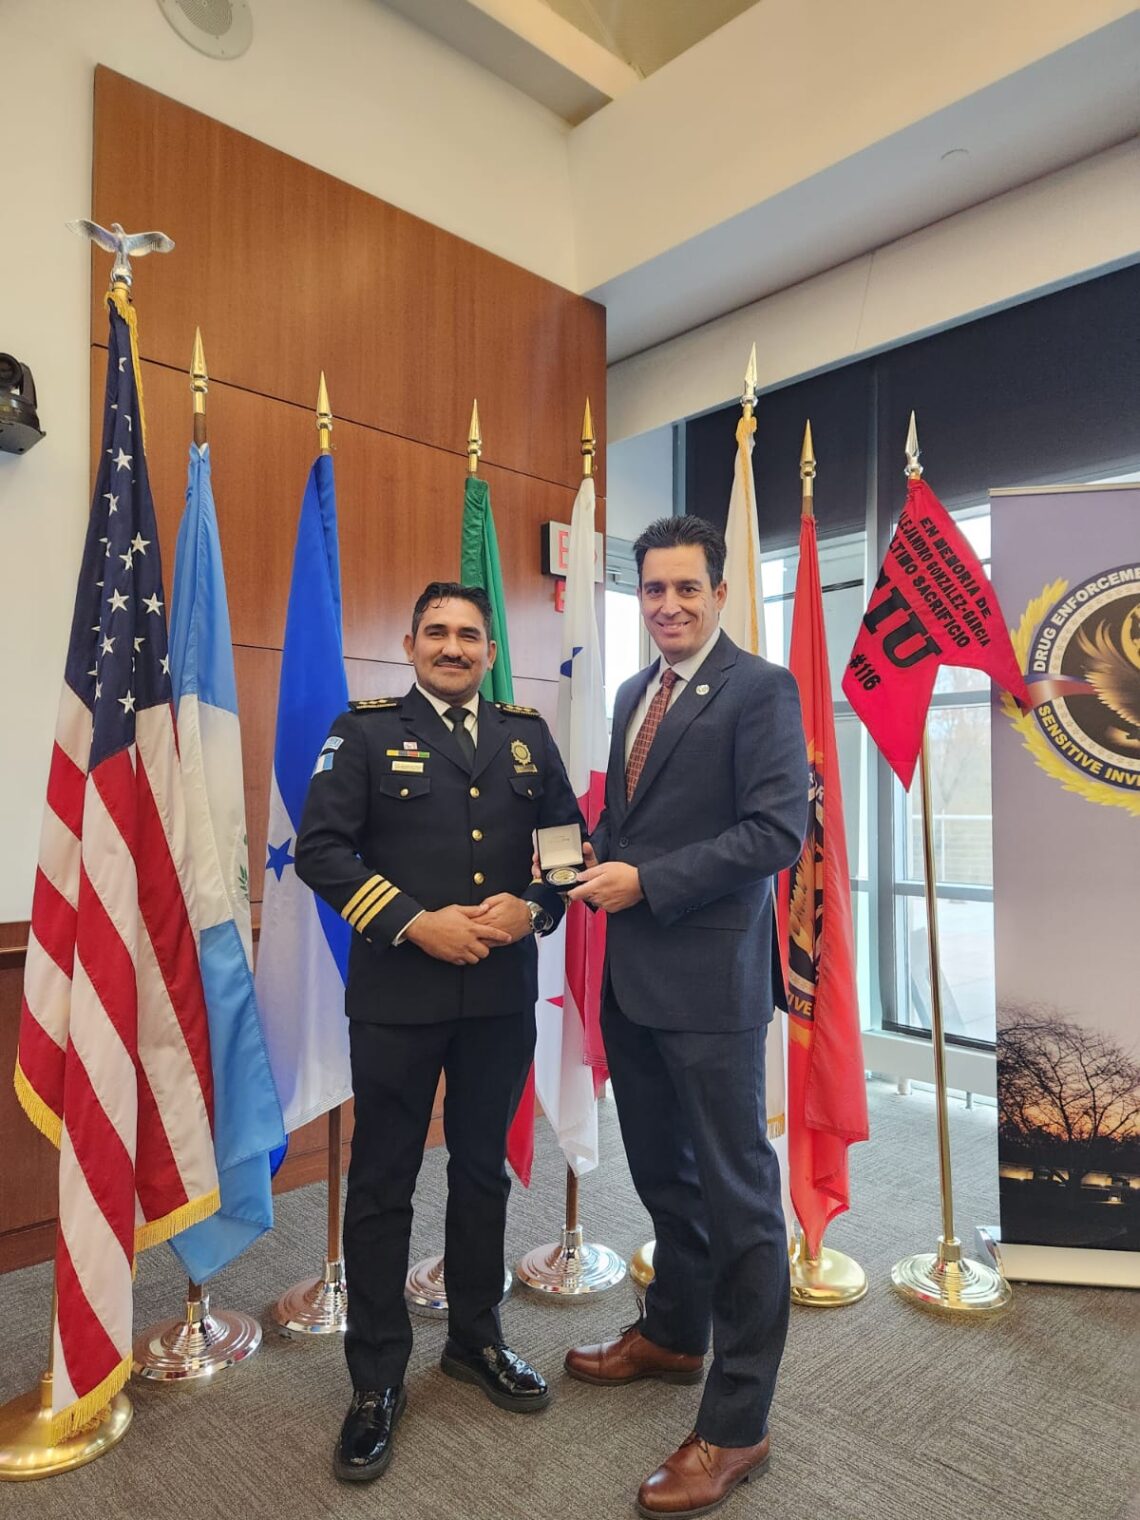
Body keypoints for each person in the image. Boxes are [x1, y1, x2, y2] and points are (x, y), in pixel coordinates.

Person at [295, 581, 583, 1483]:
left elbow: (566, 848)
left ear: (489, 650)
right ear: (411, 644)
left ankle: (474, 1337)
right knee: (384, 1182)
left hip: (498, 996)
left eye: (468, 634)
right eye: (437, 633)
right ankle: (377, 1377)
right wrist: (417, 923)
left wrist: (533, 907)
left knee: (481, 1171)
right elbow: (321, 852)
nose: (453, 647)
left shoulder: (526, 735)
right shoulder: (363, 732)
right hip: (398, 995)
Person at [564, 516, 808, 1519]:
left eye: (686, 588)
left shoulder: (762, 689)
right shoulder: (634, 691)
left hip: (710, 985)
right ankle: (673, 1333)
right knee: (665, 1176)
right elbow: (628, 823)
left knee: (740, 1199)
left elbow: (775, 831)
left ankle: (738, 1422)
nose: (668, 605)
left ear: (719, 593)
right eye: (653, 590)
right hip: (633, 982)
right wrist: (582, 852)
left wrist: (646, 880)